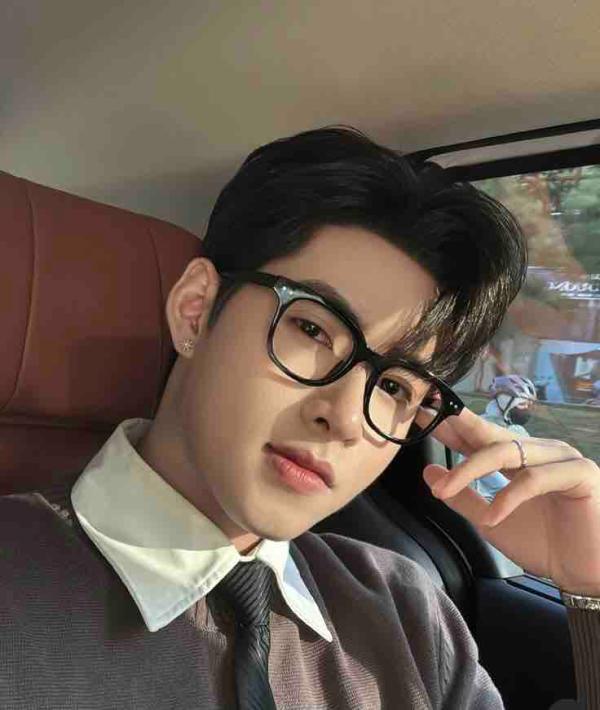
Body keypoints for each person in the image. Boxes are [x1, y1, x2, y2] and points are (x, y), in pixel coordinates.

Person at [2, 127, 600, 710]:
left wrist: (590, 589)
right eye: (312, 329)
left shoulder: (409, 615)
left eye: (394, 386)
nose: (344, 418)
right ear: (195, 310)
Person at [466, 374, 537, 502]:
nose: (528, 409)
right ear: (505, 402)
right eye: (523, 404)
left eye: (530, 404)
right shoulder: (481, 430)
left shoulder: (518, 430)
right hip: (485, 501)